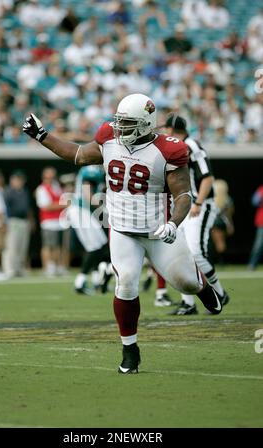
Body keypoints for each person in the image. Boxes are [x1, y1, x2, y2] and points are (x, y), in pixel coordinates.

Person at [23, 93, 223, 374]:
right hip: (122, 230)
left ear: (146, 124)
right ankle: (130, 350)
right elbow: (78, 154)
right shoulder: (109, 137)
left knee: (186, 284)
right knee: (126, 282)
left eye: (128, 123)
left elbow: (183, 195)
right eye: (119, 122)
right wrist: (42, 135)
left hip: (157, 229)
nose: (120, 128)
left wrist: (173, 224)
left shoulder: (169, 149)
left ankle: (203, 287)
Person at [162, 114, 229, 315]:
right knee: (180, 255)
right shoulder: (179, 146)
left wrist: (198, 202)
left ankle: (219, 293)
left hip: (199, 205)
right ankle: (188, 303)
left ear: (172, 130)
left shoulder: (191, 145)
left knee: (197, 253)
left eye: (166, 129)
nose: (164, 133)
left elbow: (207, 177)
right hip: (184, 207)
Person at [67, 165, 109, 294]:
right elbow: (87, 194)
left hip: (84, 211)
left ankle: (97, 281)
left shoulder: (96, 170)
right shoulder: (92, 170)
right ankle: (79, 283)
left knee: (100, 243)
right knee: (95, 246)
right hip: (80, 210)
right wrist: (105, 208)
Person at [35, 167, 68, 277]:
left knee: (57, 246)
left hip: (59, 221)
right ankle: (48, 267)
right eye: (49, 176)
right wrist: (63, 205)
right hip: (48, 222)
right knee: (48, 246)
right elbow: (45, 207)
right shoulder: (41, 189)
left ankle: (56, 266)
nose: (51, 178)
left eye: (52, 176)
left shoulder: (56, 187)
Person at [2, 171, 32, 277]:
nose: (19, 181)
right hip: (12, 220)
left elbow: (28, 208)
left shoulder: (24, 191)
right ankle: (9, 269)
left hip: (23, 221)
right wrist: (4, 223)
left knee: (22, 247)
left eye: (21, 179)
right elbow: (3, 209)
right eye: (17, 179)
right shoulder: (8, 192)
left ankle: (19, 269)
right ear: (12, 180)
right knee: (11, 246)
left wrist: (31, 220)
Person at [211, 179, 234, 264]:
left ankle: (220, 262)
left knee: (218, 242)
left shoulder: (212, 199)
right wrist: (230, 225)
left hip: (214, 222)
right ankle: (221, 261)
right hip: (224, 222)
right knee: (221, 242)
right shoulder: (228, 199)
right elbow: (230, 213)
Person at [248, 185, 263, 270]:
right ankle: (252, 264)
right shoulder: (261, 189)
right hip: (262, 221)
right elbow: (254, 201)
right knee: (258, 244)